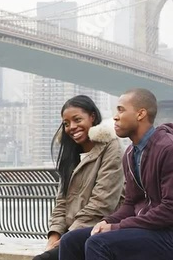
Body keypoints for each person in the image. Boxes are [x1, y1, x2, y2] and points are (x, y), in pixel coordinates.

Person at [58, 88, 173, 260]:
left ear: (140, 114)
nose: (115, 117)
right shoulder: (130, 154)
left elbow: (172, 210)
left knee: (99, 243)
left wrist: (118, 227)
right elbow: (130, 205)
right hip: (147, 230)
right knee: (71, 240)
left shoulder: (170, 149)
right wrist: (108, 222)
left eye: (121, 110)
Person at [33, 95, 125, 260]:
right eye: (66, 124)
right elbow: (61, 202)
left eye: (77, 120)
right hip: (71, 233)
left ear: (92, 117)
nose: (71, 127)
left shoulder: (111, 147)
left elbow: (103, 203)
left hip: (98, 231)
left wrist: (67, 238)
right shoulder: (71, 155)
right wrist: (54, 236)